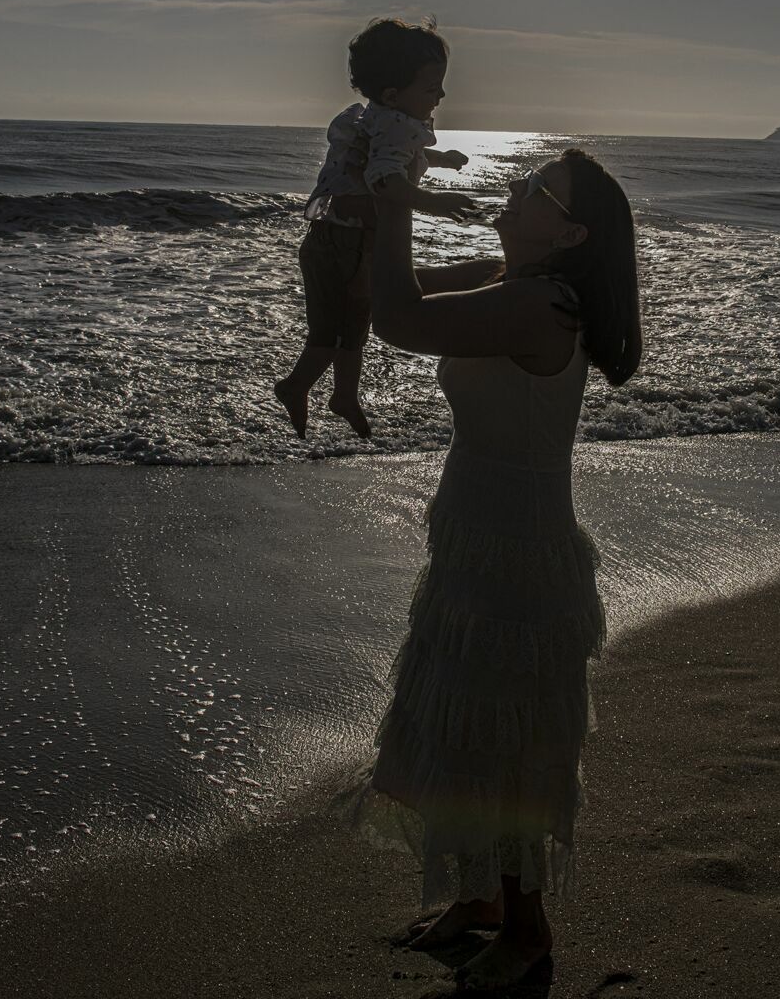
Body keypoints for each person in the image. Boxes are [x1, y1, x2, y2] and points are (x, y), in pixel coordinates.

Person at [329, 149, 642, 991]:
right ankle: (478, 899)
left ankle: (528, 929)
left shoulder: (544, 304)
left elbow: (399, 320)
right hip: (475, 537)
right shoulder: (507, 278)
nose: (515, 187)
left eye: (536, 190)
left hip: (519, 557)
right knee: (461, 723)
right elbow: (378, 292)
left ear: (569, 235)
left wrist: (398, 206)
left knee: (505, 743)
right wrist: (363, 204)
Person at [275, 17, 477, 439]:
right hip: (340, 243)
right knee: (330, 334)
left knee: (355, 330)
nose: (441, 95)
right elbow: (384, 180)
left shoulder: (384, 121)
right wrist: (435, 202)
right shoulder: (394, 124)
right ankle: (294, 386)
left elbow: (397, 155)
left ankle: (344, 396)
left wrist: (440, 159)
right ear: (392, 94)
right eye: (432, 87)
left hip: (353, 241)